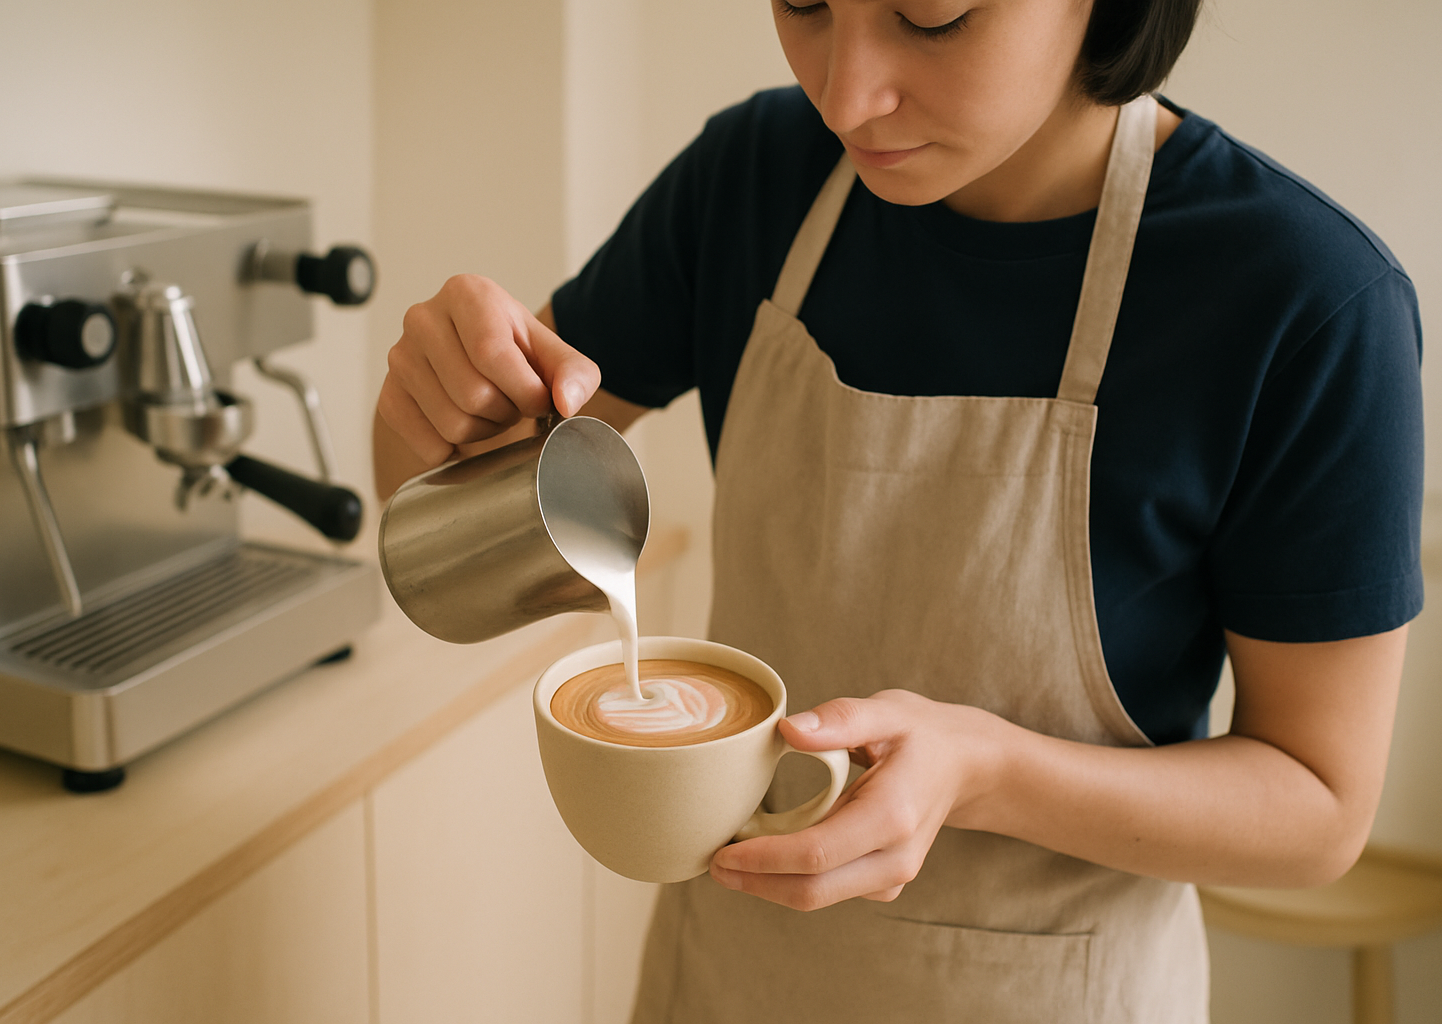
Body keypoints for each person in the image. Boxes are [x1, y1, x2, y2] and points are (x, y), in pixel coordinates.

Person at [373, 0, 1424, 1020]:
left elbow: (1318, 810)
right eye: (803, 1)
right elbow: (457, 515)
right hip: (733, 982)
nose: (845, 95)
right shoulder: (753, 179)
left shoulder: (1304, 300)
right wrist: (437, 401)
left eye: (930, 18)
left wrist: (990, 772)